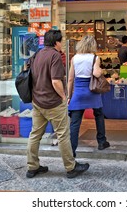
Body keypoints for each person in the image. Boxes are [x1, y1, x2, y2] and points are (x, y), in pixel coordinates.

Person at [26, 30, 89, 179]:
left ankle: (32, 167)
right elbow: (55, 81)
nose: (62, 44)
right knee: (63, 135)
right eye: (61, 41)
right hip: (53, 102)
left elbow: (27, 71)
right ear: (56, 42)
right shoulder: (54, 55)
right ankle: (71, 167)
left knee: (35, 134)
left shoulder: (37, 54)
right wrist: (63, 96)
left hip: (37, 102)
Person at [67, 35, 110, 157]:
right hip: (92, 91)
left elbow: (70, 79)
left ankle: (72, 150)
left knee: (75, 123)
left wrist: (69, 96)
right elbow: (96, 73)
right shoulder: (95, 58)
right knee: (99, 115)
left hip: (79, 92)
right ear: (93, 45)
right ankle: (101, 141)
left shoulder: (74, 58)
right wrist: (101, 71)